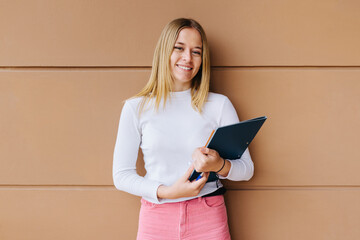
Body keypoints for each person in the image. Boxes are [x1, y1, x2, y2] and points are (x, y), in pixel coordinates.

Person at [113, 18, 254, 240]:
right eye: (179, 48)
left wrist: (218, 164)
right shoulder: (136, 108)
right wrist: (168, 192)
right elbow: (121, 175)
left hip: (208, 217)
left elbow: (246, 169)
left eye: (196, 52)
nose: (187, 58)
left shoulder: (219, 105)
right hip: (156, 218)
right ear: (164, 51)